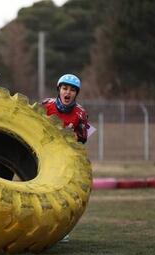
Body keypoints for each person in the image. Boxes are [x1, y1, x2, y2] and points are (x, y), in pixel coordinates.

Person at [42, 73, 89, 243]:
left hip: (66, 160)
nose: (68, 93)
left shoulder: (80, 113)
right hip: (44, 156)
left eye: (72, 90)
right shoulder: (46, 105)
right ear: (59, 90)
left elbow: (83, 137)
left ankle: (61, 230)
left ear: (76, 93)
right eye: (64, 88)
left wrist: (72, 135)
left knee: (63, 196)